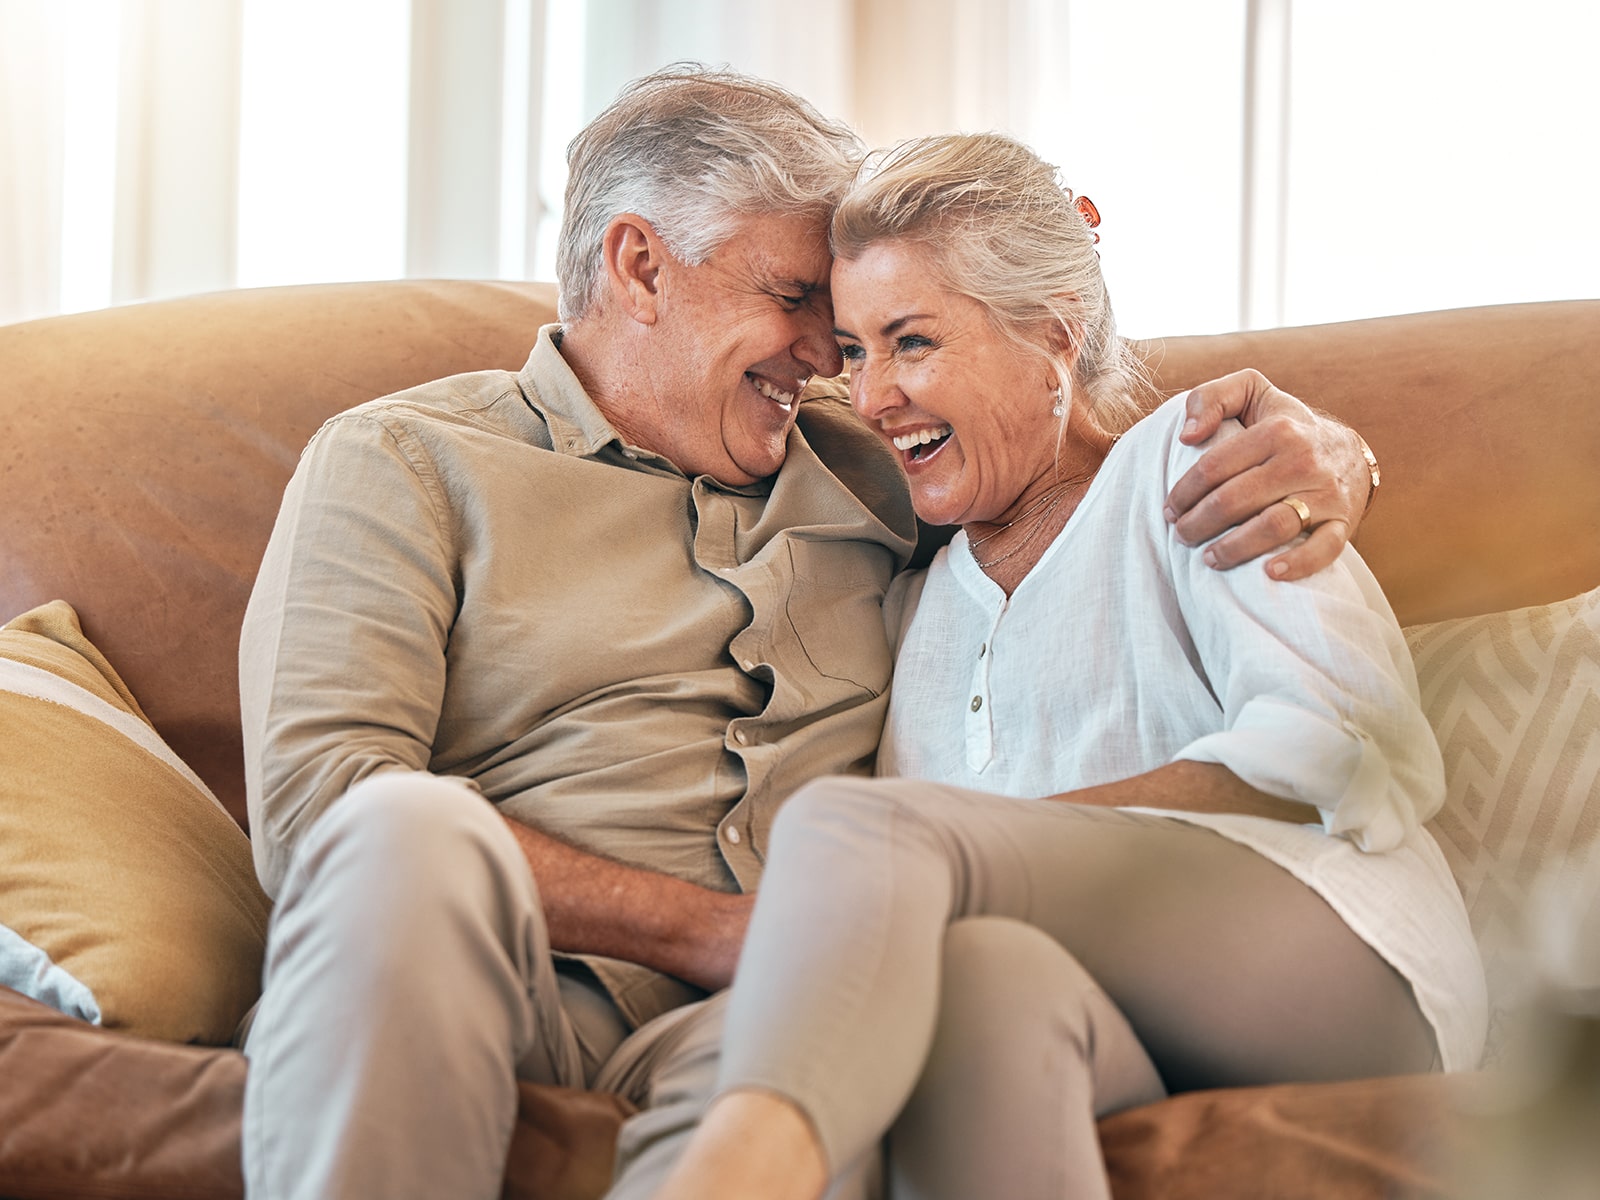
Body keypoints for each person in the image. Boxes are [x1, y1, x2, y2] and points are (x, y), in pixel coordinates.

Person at [236, 68, 1381, 1199]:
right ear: (640, 265)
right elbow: (316, 804)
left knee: (868, 1036)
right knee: (401, 828)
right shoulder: (405, 460)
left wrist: (1325, 450)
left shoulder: (878, 463)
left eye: (847, 328)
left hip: (781, 1014)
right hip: (493, 979)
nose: (836, 358)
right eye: (794, 300)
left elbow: (1051, 442)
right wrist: (707, 931)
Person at [649, 132, 1487, 1200]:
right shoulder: (910, 600)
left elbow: (1356, 752)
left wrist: (991, 850)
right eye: (853, 353)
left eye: (912, 341)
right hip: (1122, 1015)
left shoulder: (1191, 469)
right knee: (981, 981)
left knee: (862, 831)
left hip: (1340, 968)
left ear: (1052, 333)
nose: (871, 398)